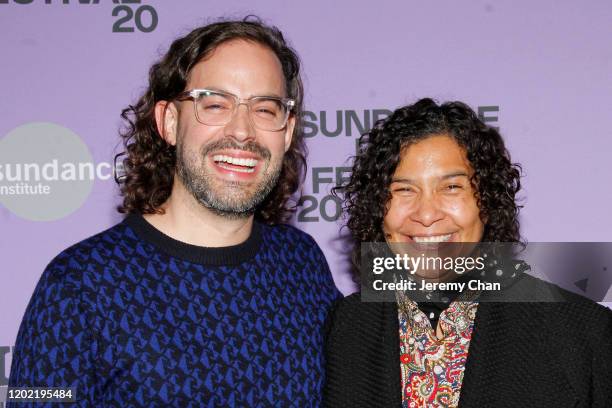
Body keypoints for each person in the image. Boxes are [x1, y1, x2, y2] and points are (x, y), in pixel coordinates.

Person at [8, 18, 339, 406]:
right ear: (168, 121)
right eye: (215, 104)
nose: (243, 131)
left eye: (265, 109)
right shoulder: (78, 284)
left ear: (287, 131)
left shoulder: (301, 262)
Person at [323, 98, 612, 407]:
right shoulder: (347, 326)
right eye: (404, 189)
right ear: (378, 207)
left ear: (486, 201)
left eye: (451, 188)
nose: (426, 214)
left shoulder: (582, 334)